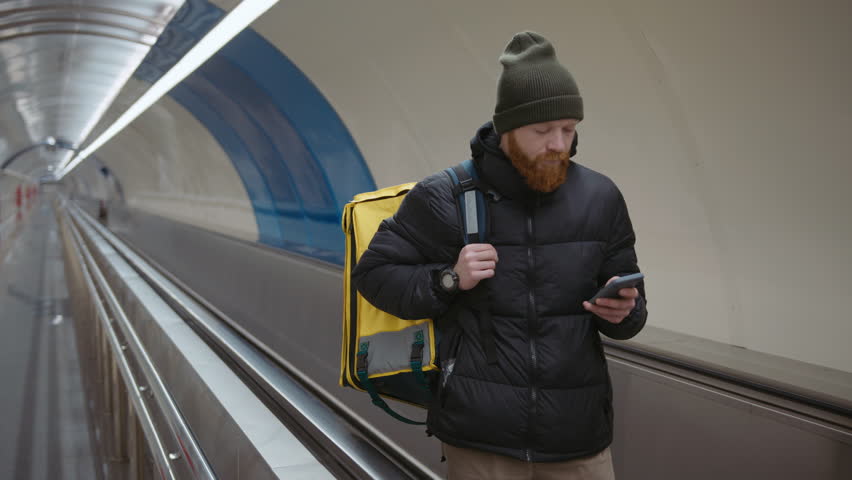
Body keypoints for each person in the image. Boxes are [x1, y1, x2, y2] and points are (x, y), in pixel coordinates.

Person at [353, 31, 647, 480]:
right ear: (507, 128)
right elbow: (373, 275)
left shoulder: (600, 198)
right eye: (542, 130)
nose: (557, 144)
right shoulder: (446, 196)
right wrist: (449, 279)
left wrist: (624, 312)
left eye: (568, 130)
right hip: (480, 440)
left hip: (578, 438)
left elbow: (632, 309)